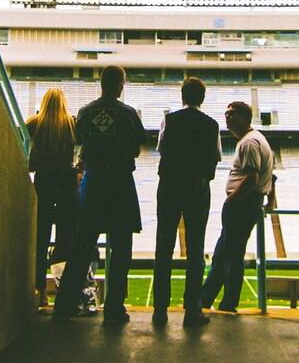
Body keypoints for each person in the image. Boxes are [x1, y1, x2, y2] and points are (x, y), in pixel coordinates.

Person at [53, 65, 147, 325]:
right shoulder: (128, 114)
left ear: (101, 83)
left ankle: (65, 305)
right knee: (120, 249)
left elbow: (79, 143)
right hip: (119, 186)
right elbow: (137, 148)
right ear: (120, 85)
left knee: (82, 247)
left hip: (92, 186)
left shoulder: (85, 113)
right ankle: (114, 308)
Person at [150, 76, 222, 327]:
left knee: (164, 247)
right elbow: (215, 157)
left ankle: (160, 309)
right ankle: (192, 309)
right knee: (195, 249)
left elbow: (162, 148)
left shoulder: (169, 119)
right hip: (197, 188)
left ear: (183, 97)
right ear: (202, 98)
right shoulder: (211, 125)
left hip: (170, 187)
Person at [197, 100, 275, 315]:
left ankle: (228, 302)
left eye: (232, 114)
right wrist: (271, 198)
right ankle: (205, 298)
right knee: (224, 254)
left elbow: (251, 177)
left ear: (245, 117)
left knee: (231, 255)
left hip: (242, 204)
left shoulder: (249, 143)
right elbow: (271, 176)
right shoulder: (256, 139)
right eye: (226, 113)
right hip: (247, 203)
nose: (227, 117)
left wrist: (231, 200)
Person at [25, 88, 77, 309]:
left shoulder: (34, 124)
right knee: (65, 240)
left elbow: (28, 160)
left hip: (44, 184)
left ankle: (40, 291)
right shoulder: (71, 124)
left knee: (40, 238)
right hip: (65, 184)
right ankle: (64, 292)